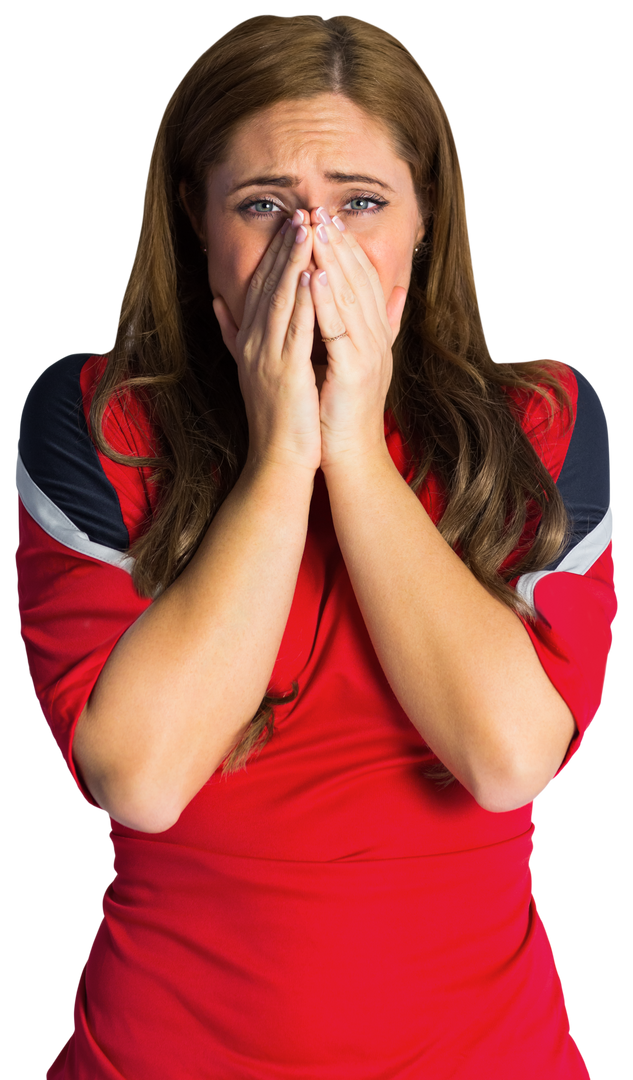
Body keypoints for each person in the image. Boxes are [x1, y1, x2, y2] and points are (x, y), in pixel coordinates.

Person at [14, 12, 617, 1079]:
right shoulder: (96, 420)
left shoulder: (543, 422)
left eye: (360, 203)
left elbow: (509, 756)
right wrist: (284, 451)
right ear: (197, 222)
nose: (313, 245)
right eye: (263, 206)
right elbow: (140, 778)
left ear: (425, 219)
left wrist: (355, 448)